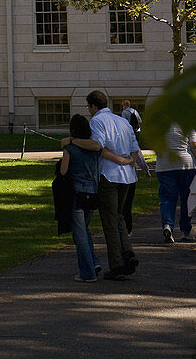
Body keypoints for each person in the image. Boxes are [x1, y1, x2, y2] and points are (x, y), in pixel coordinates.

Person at [60, 114, 133, 282]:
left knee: (79, 234)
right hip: (92, 192)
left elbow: (64, 171)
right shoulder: (93, 150)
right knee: (84, 229)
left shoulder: (70, 149)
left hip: (77, 192)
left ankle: (87, 272)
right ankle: (93, 262)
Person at [86, 89, 150, 280]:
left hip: (109, 174)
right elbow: (134, 148)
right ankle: (127, 253)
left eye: (89, 107)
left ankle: (116, 264)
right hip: (128, 177)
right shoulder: (122, 121)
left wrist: (118, 161)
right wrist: (130, 162)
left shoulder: (97, 121)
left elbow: (99, 147)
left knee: (109, 220)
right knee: (119, 215)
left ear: (93, 106)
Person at [155, 123, 196, 243]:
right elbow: (195, 146)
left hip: (164, 166)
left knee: (167, 198)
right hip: (186, 166)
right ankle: (185, 231)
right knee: (186, 199)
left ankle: (167, 225)